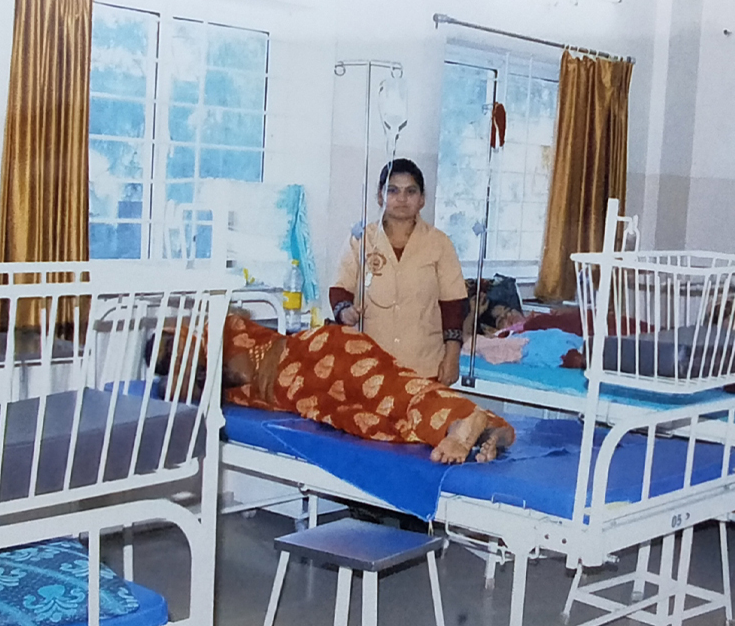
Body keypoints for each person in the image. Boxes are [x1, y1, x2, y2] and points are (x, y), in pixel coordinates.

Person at [219, 314, 515, 464]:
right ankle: (488, 429)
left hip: (312, 356)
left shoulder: (216, 326)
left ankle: (460, 422)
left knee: (395, 392)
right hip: (306, 395)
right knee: (379, 422)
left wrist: (204, 377)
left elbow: (241, 370)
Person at [330, 159, 467, 385]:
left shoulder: (439, 243)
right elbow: (339, 288)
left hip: (425, 367)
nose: (402, 199)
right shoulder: (362, 239)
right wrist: (345, 311)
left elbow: (453, 305)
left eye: (410, 191)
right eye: (393, 190)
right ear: (380, 196)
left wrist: (452, 357)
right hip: (370, 367)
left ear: (422, 199)